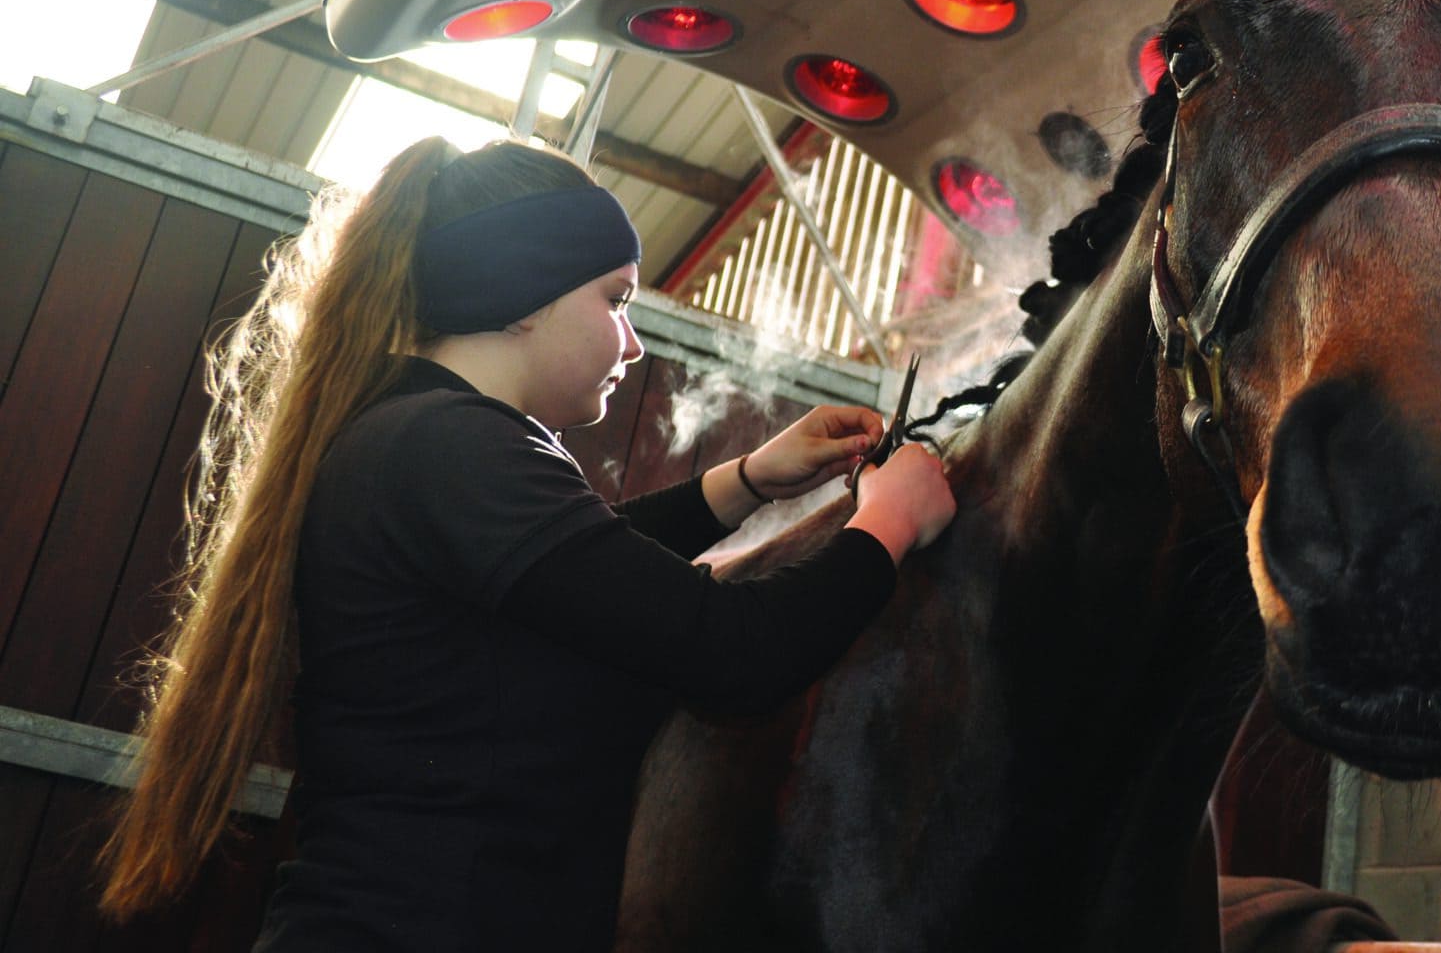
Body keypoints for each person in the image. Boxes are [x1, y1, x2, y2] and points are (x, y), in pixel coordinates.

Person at [97, 136, 956, 951]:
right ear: (521, 293)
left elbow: (580, 574)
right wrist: (890, 520)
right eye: (614, 300)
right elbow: (733, 650)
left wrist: (751, 480)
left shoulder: (419, 436)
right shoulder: (450, 448)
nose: (632, 340)